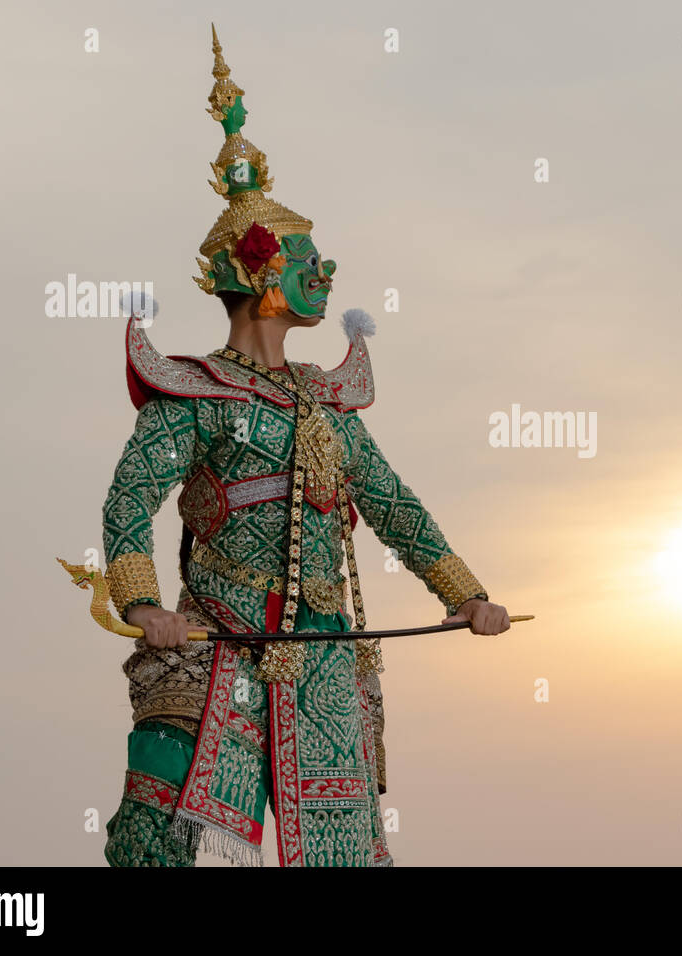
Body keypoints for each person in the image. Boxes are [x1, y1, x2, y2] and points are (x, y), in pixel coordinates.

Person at [100, 27, 510, 867]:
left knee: (343, 855)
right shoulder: (196, 395)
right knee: (167, 842)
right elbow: (129, 497)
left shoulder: (330, 398)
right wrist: (146, 608)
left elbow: (393, 505)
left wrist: (465, 594)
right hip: (219, 642)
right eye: (305, 258)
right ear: (258, 274)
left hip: (325, 656)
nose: (323, 271)